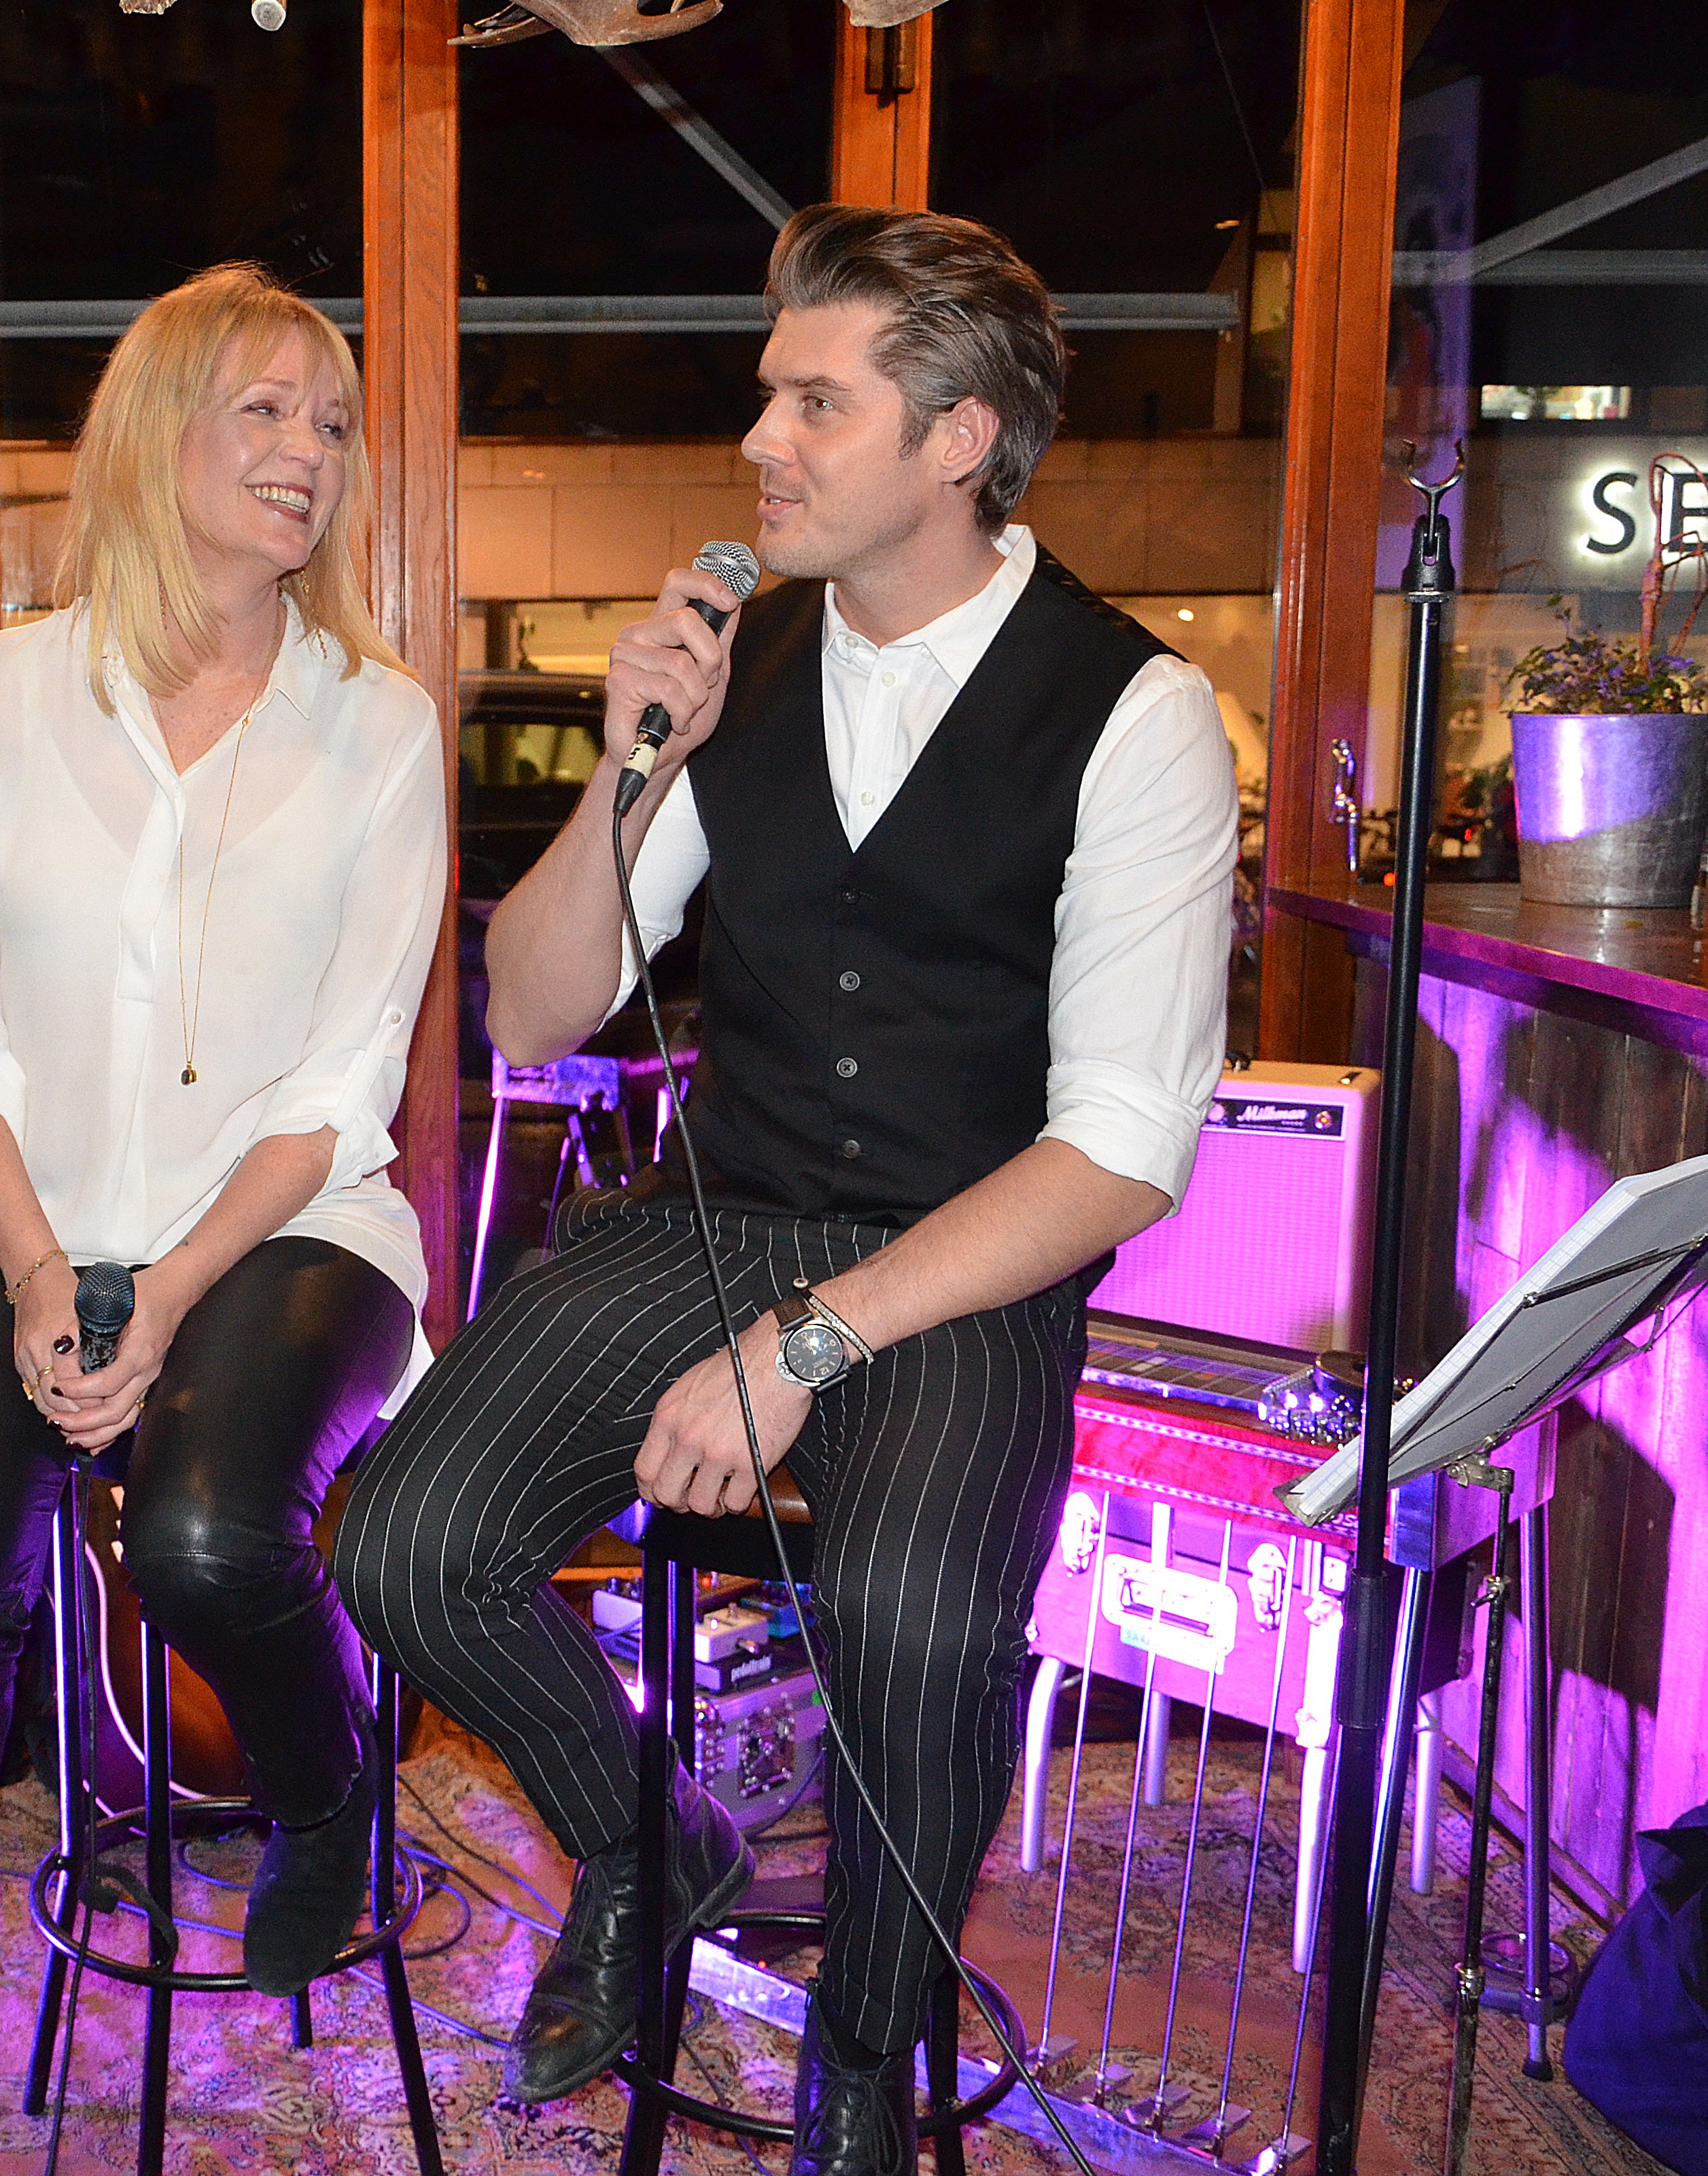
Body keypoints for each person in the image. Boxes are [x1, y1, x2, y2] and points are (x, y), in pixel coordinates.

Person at [333, 205, 1238, 2176]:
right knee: (402, 1538)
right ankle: (655, 1846)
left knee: (914, 1611)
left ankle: (867, 2044)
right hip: (719, 1217)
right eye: (770, 393)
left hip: (968, 1255)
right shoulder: (736, 678)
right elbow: (532, 1009)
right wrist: (631, 766)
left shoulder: (1137, 713)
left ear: (959, 439)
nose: (762, 436)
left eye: (816, 401)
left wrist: (802, 1349)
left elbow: (1118, 1151)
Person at [0, 262, 448, 2054]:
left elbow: (346, 1080)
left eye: (332, 421)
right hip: (15, 1210)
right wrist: (34, 1268)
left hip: (294, 1222)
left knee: (202, 1531)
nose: (310, 449)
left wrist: (161, 1294)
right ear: (156, 433)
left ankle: (330, 1796)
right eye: (266, 408)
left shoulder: (379, 723)